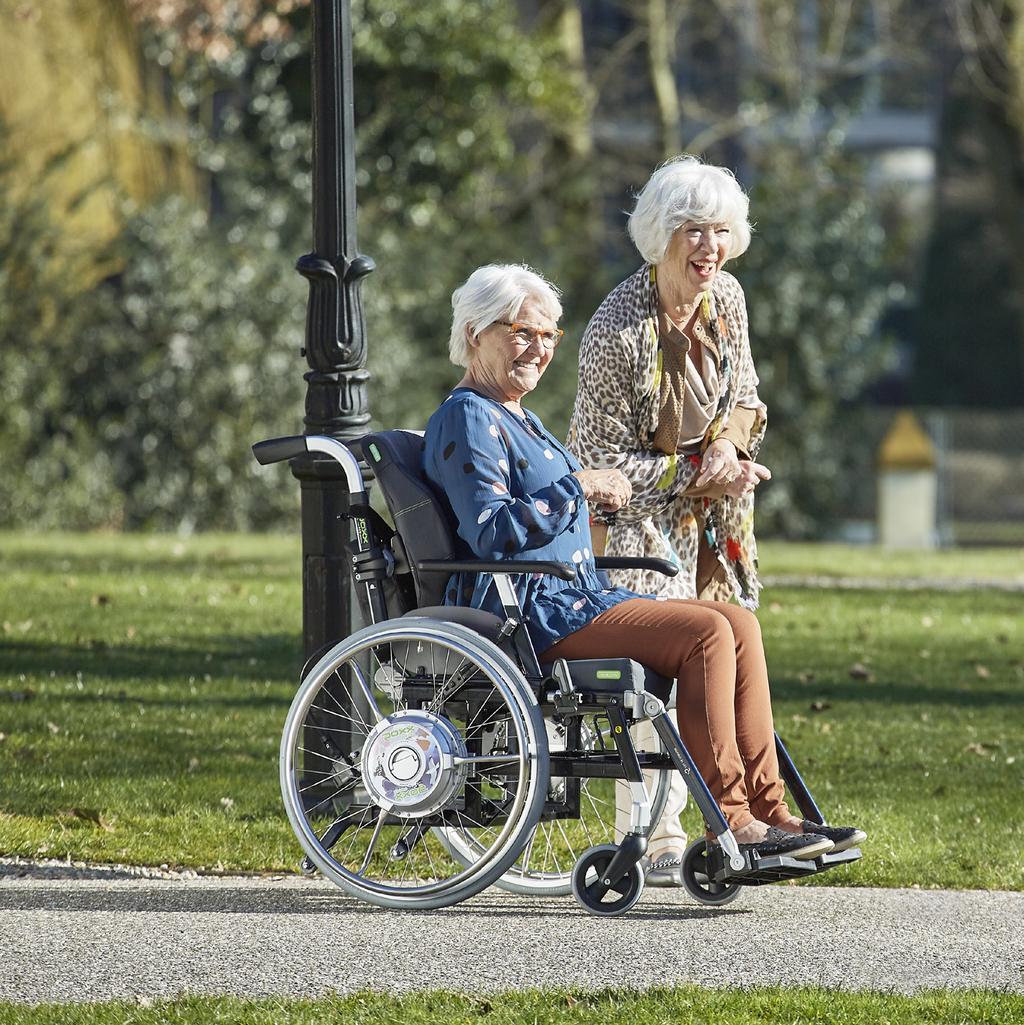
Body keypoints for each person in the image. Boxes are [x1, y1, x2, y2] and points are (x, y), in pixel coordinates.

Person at [423, 263, 865, 862]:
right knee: (706, 630)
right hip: (531, 614)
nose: (539, 349)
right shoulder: (469, 415)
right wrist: (577, 486)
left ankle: (771, 810)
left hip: (575, 599)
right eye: (523, 332)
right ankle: (732, 819)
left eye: (550, 336)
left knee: (739, 624)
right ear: (476, 331)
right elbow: (491, 531)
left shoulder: (517, 414)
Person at [567, 156, 772, 885]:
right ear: (660, 236)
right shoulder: (616, 331)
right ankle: (651, 833)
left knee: (719, 660)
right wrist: (694, 471)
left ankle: (741, 817)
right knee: (655, 676)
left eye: (720, 229)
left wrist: (725, 444)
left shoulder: (729, 302)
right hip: (621, 526)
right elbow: (603, 466)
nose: (708, 245)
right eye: (692, 229)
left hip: (709, 525)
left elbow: (746, 395)